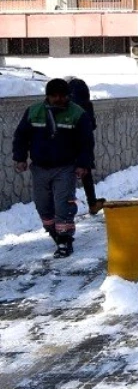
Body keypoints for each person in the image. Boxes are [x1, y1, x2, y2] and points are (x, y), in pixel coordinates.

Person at [11, 79, 95, 259]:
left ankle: (65, 240)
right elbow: (21, 136)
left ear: (68, 96)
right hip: (40, 168)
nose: (58, 99)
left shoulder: (77, 114)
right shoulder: (34, 112)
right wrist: (20, 158)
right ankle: (55, 234)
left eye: (62, 96)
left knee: (63, 202)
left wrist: (83, 164)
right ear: (47, 96)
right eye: (54, 96)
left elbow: (86, 142)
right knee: (43, 205)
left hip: (65, 167)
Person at [67, 77, 104, 215]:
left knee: (65, 175)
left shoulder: (63, 106)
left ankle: (64, 205)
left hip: (64, 146)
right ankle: (92, 203)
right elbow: (92, 125)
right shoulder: (86, 105)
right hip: (82, 145)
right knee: (85, 173)